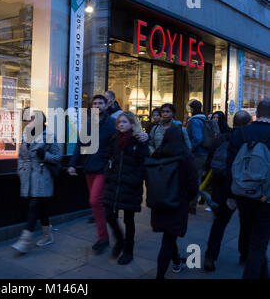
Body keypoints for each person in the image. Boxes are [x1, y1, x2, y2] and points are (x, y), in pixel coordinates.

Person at [68, 95, 148, 255]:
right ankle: (106, 238)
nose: (97, 105)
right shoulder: (88, 123)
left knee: (96, 201)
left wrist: (145, 136)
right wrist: (72, 163)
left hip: (106, 172)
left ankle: (110, 240)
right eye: (95, 103)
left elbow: (131, 138)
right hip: (91, 167)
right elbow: (80, 144)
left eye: (100, 103)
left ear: (107, 105)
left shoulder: (113, 124)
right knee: (100, 206)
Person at [227, 99, 270, 279]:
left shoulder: (241, 132)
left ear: (257, 113)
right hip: (266, 197)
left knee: (252, 236)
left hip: (243, 194)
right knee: (258, 244)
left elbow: (229, 163)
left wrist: (230, 195)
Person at [203, 110, 251, 272]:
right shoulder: (248, 140)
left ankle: (210, 257)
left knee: (219, 224)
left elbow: (209, 162)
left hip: (221, 187)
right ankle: (244, 253)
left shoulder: (222, 138)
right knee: (246, 223)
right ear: (247, 124)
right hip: (242, 187)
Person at [150, 126, 199, 279]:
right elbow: (193, 184)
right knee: (169, 239)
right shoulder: (186, 156)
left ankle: (177, 261)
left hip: (160, 201)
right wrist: (188, 199)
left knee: (169, 235)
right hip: (177, 202)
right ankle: (159, 275)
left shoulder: (158, 153)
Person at [12, 110, 62, 253]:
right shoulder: (25, 134)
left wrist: (44, 155)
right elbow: (21, 156)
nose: (29, 120)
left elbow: (58, 156)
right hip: (28, 176)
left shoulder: (49, 135)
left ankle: (24, 241)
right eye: (29, 118)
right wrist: (20, 170)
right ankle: (47, 235)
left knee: (34, 205)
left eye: (33, 118)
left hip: (42, 176)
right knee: (41, 207)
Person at [103, 111, 149, 265]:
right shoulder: (114, 139)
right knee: (109, 215)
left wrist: (135, 179)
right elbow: (108, 158)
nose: (121, 124)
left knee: (129, 220)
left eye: (124, 122)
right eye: (119, 122)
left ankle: (128, 250)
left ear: (132, 124)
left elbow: (144, 164)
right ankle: (120, 240)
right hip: (114, 184)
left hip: (130, 186)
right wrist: (108, 175)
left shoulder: (139, 141)